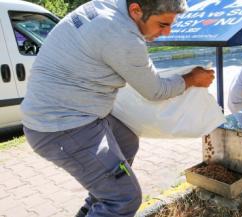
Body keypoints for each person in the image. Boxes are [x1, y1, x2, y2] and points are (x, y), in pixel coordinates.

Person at [20, 0, 214, 216]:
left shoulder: (108, 6)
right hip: (61, 126)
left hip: (70, 112)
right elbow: (155, 91)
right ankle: (108, 198)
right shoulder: (121, 35)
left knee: (126, 140)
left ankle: (100, 200)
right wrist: (191, 79)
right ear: (136, 10)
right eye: (162, 25)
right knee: (124, 198)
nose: (167, 33)